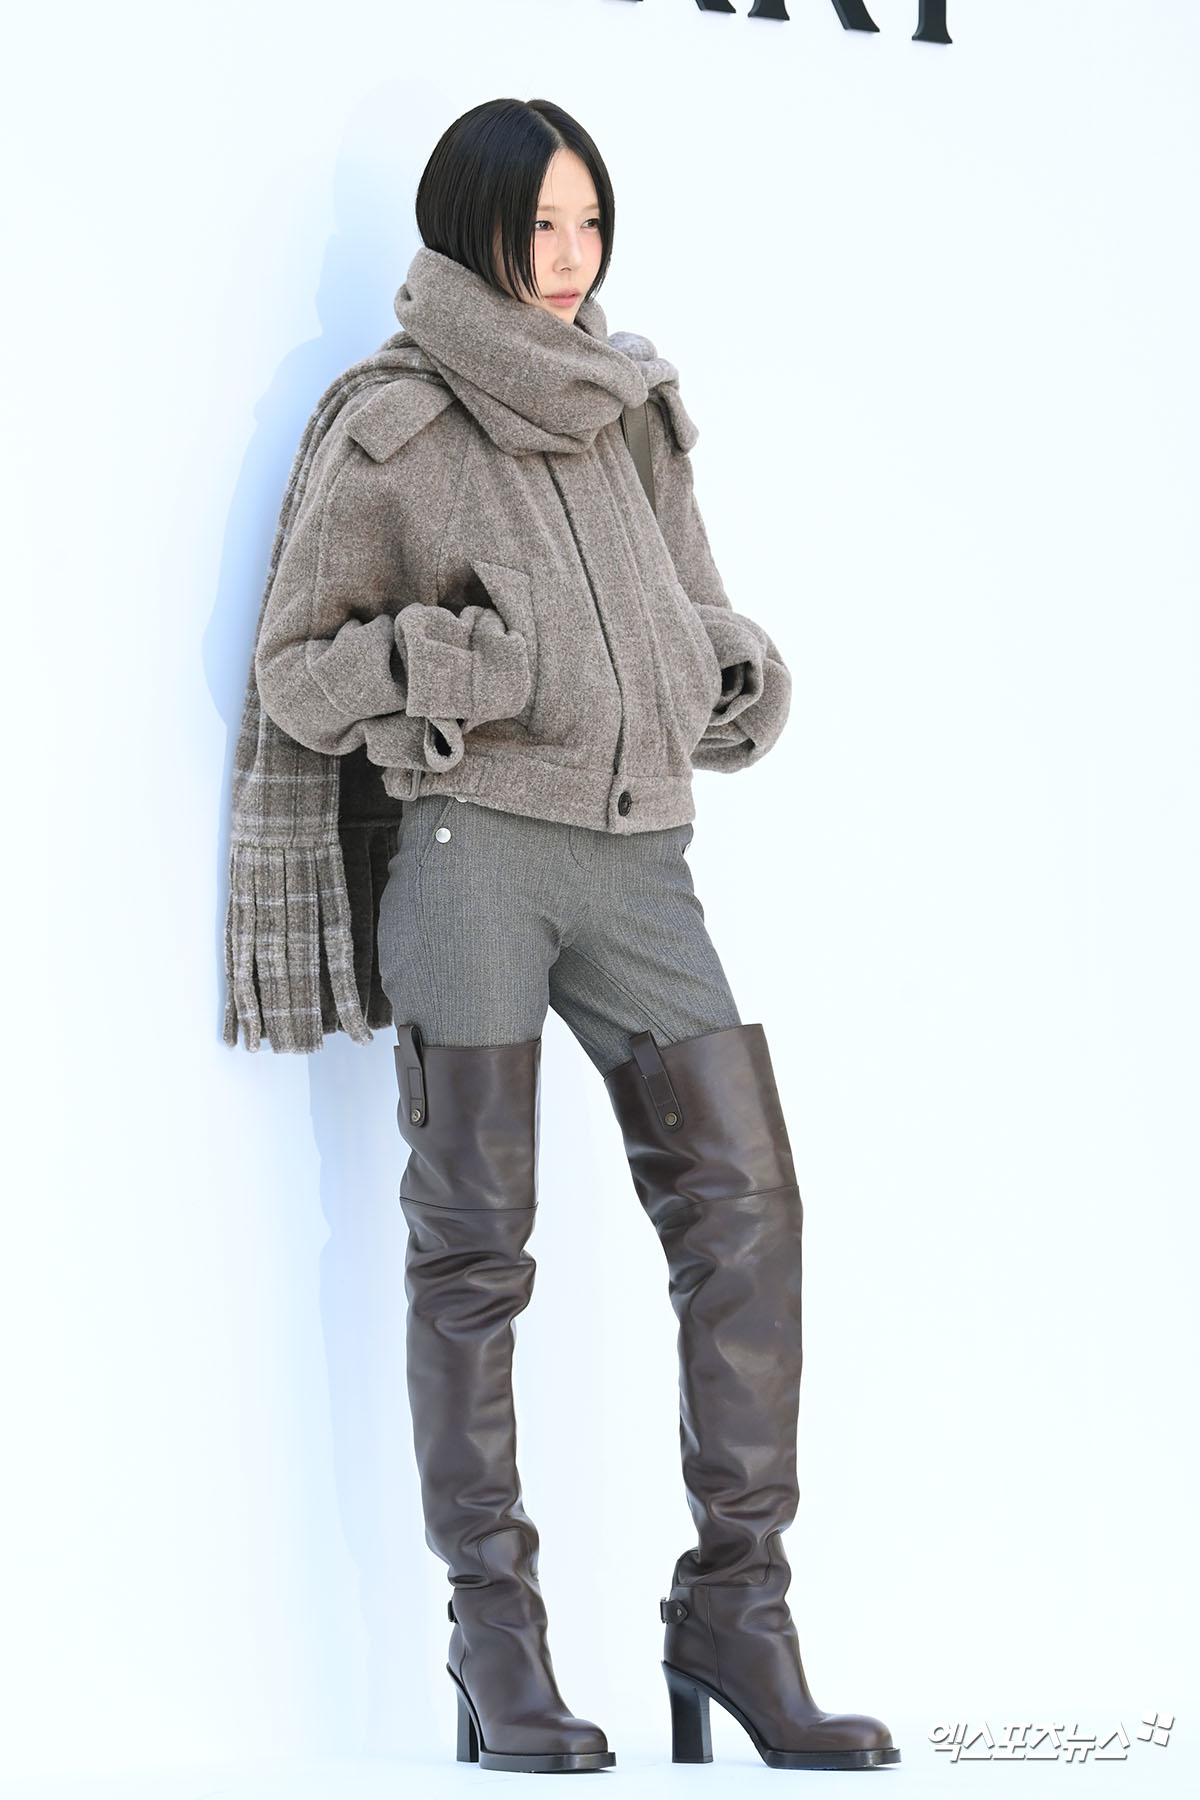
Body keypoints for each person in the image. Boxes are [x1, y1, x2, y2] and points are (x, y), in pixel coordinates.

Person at [230, 96, 899, 1775]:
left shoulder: (630, 405)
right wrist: (449, 667)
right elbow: (299, 670)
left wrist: (724, 672)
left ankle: (738, 1613)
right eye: (538, 225)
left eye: (589, 222)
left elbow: (691, 601)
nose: (568, 256)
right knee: (475, 1252)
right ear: (470, 225)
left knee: (747, 1208)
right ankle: (495, 1641)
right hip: (473, 856)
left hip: (640, 861)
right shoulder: (395, 424)